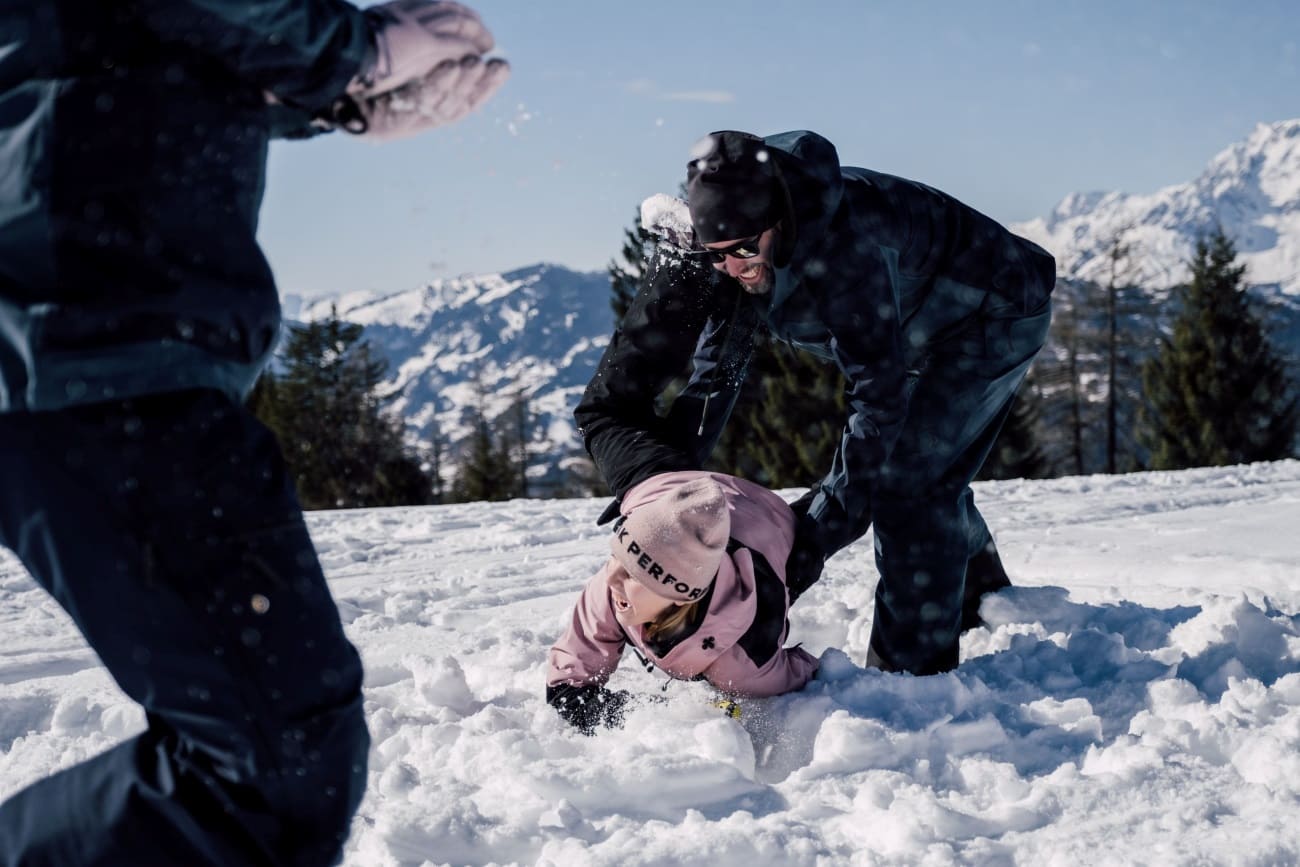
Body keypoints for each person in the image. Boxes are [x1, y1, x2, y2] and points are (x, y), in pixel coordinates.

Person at [0, 2, 507, 864]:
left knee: (275, 759)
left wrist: (325, 97)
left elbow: (125, 49)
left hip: (95, 334)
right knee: (271, 765)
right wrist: (350, 56)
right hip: (100, 345)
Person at [575, 130, 1056, 678]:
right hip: (913, 322)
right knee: (927, 471)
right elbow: (718, 371)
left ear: (778, 223)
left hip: (994, 310)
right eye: (717, 256)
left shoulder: (846, 247)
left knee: (910, 484)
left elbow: (878, 399)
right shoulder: (736, 244)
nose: (733, 267)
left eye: (742, 250)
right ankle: (985, 601)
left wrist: (814, 539)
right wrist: (673, 504)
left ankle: (913, 679)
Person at [547, 471, 818, 733]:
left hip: (777, 529)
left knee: (847, 494)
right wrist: (648, 715)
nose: (611, 579)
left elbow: (806, 669)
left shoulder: (741, 663)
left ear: (679, 596)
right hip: (675, 485)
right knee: (599, 424)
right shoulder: (614, 592)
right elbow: (567, 688)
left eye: (633, 574)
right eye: (616, 557)